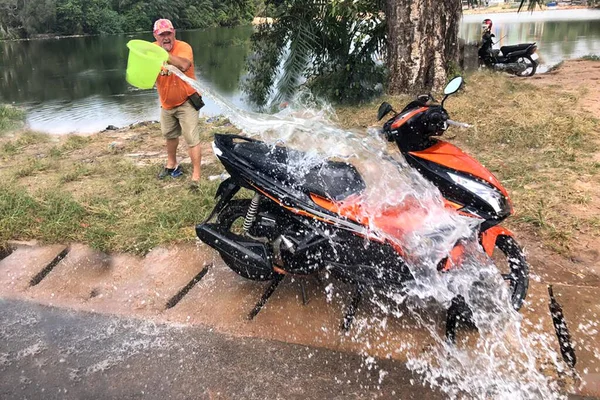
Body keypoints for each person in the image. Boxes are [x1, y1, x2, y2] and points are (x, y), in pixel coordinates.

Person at [153, 18, 203, 188]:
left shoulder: (184, 47)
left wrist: (163, 55)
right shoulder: (151, 50)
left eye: (168, 33)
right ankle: (171, 164)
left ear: (173, 33)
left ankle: (196, 175)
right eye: (162, 35)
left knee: (191, 138)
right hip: (166, 103)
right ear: (155, 36)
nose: (165, 38)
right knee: (169, 135)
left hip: (187, 101)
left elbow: (184, 64)